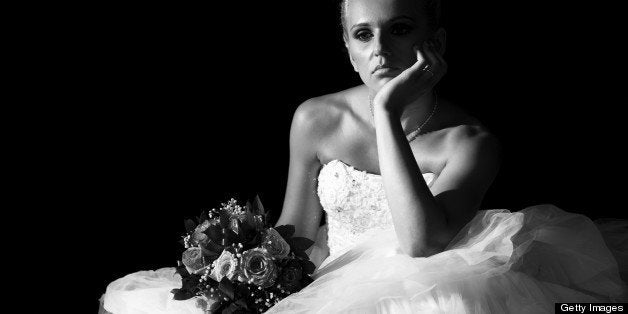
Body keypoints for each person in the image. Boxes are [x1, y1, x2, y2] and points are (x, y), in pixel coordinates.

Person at [101, 0, 627, 312]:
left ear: (435, 41)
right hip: (334, 285)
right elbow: (296, 232)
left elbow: (423, 243)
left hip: (436, 283)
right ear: (347, 49)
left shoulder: (471, 141)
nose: (381, 49)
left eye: (400, 29)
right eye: (363, 34)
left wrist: (386, 111)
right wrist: (248, 276)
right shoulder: (316, 119)